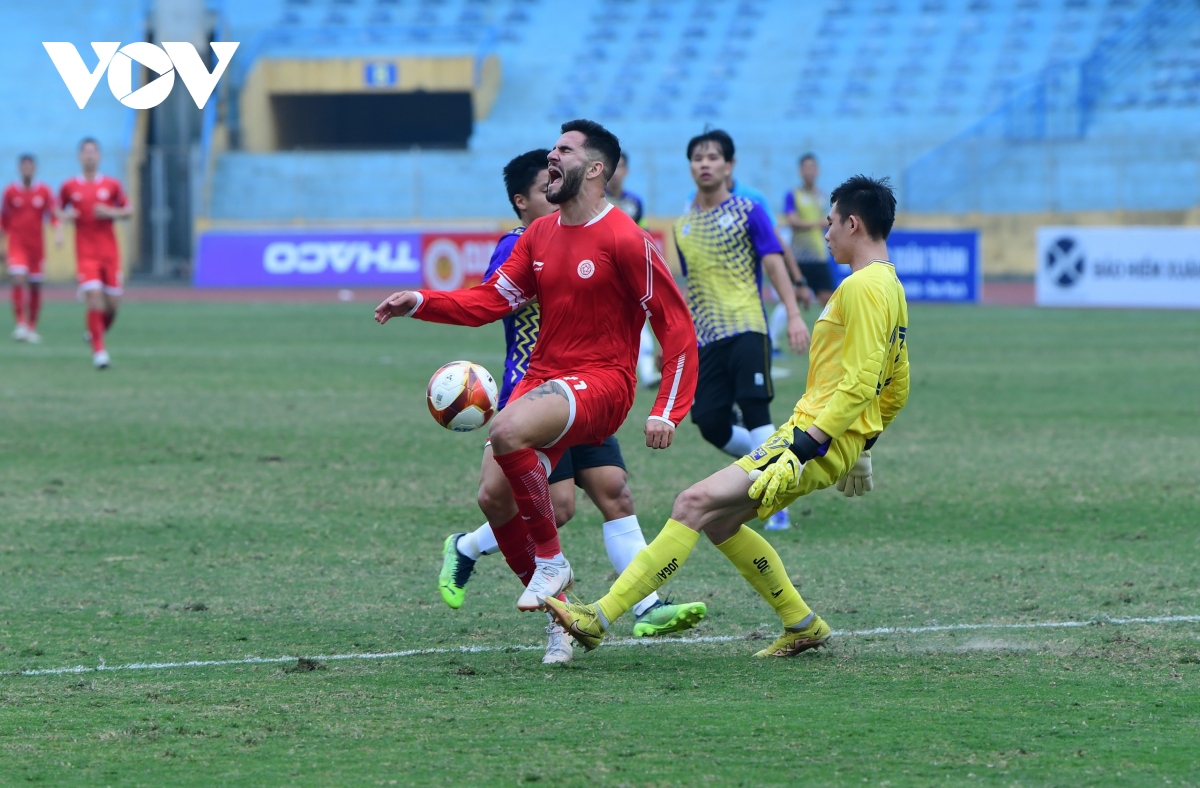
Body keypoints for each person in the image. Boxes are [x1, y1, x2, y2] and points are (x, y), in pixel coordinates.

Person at [546, 175, 910, 659]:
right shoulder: (889, 284)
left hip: (810, 439)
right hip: (826, 438)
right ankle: (801, 623)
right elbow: (896, 384)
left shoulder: (862, 287)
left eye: (830, 223)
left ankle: (597, 618)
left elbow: (862, 382)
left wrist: (807, 448)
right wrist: (861, 447)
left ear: (853, 222)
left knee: (692, 504)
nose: (825, 234)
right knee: (718, 523)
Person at [376, 120, 699, 629]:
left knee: (510, 432)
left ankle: (553, 563)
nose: (552, 156)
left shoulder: (627, 240)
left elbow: (677, 327)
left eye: (564, 150)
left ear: (594, 169)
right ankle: (562, 621)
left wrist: (668, 410)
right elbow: (489, 300)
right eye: (552, 147)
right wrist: (421, 301)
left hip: (604, 381)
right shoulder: (540, 235)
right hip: (544, 376)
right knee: (492, 497)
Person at [675, 129, 808, 533]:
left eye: (713, 157)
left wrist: (793, 313)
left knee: (755, 413)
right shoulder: (682, 226)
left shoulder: (750, 211)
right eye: (698, 157)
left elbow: (772, 263)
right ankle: (767, 466)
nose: (705, 163)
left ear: (729, 166)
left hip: (748, 327)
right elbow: (690, 286)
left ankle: (775, 497)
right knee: (710, 421)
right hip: (706, 338)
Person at [58, 138, 132, 369]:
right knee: (94, 298)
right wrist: (63, 223)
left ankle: (94, 333)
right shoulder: (70, 186)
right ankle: (100, 353)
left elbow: (129, 211)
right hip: (86, 253)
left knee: (113, 305)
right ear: (80, 157)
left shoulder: (112, 185)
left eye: (93, 152)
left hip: (109, 253)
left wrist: (111, 212)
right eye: (85, 152)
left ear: (99, 156)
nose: (89, 156)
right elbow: (58, 210)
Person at [2, 154, 60, 343]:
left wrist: (58, 232)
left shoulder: (44, 191)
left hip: (36, 247)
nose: (27, 169)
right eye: (24, 166)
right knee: (18, 279)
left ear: (35, 169)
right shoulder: (10, 192)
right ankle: (20, 323)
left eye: (30, 166)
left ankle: (32, 326)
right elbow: (4, 220)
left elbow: (53, 215)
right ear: (19, 169)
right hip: (17, 245)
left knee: (35, 285)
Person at [785, 153, 835, 307]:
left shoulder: (822, 196)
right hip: (798, 256)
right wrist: (817, 223)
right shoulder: (792, 195)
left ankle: (826, 331)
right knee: (792, 299)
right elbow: (792, 221)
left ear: (817, 170)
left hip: (818, 255)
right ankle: (773, 331)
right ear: (800, 171)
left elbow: (827, 222)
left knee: (829, 299)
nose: (809, 171)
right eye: (806, 168)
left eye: (812, 167)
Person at [606, 152, 644, 225]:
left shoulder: (635, 202)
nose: (615, 171)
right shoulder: (597, 200)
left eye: (619, 166)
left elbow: (641, 230)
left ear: (626, 171)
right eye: (612, 166)